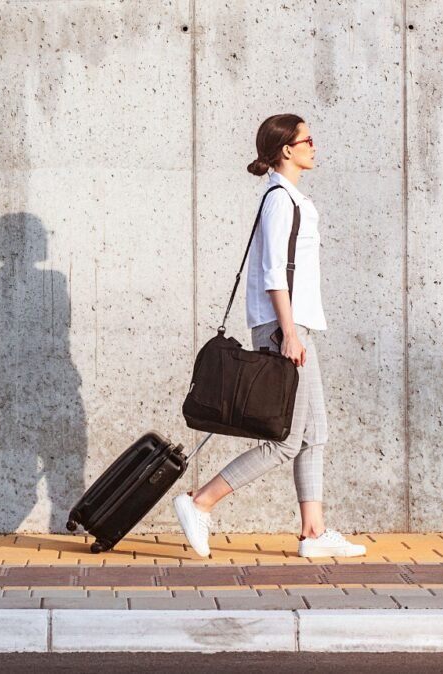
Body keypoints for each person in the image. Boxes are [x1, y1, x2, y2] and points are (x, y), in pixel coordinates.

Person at [173, 114, 366, 559]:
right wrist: (288, 333)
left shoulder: (292, 198)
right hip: (285, 328)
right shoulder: (280, 200)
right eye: (307, 140)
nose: (314, 146)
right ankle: (200, 502)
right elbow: (274, 273)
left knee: (314, 433)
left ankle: (313, 533)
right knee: (285, 440)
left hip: (294, 326)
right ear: (287, 150)